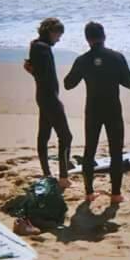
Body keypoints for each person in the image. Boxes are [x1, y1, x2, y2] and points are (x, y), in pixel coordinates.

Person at [64, 22, 130, 204]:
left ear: (87, 39)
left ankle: (89, 193)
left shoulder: (82, 60)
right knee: (116, 151)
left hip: (93, 110)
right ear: (104, 36)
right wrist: (111, 75)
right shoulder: (116, 57)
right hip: (112, 109)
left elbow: (68, 84)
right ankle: (116, 195)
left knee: (90, 150)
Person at [23, 17, 74, 190]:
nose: (59, 39)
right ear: (51, 32)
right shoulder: (43, 49)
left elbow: (38, 72)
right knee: (66, 137)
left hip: (44, 96)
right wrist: (33, 71)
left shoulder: (37, 46)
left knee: (44, 135)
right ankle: (63, 178)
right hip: (49, 98)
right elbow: (43, 74)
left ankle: (47, 173)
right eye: (58, 35)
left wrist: (32, 70)